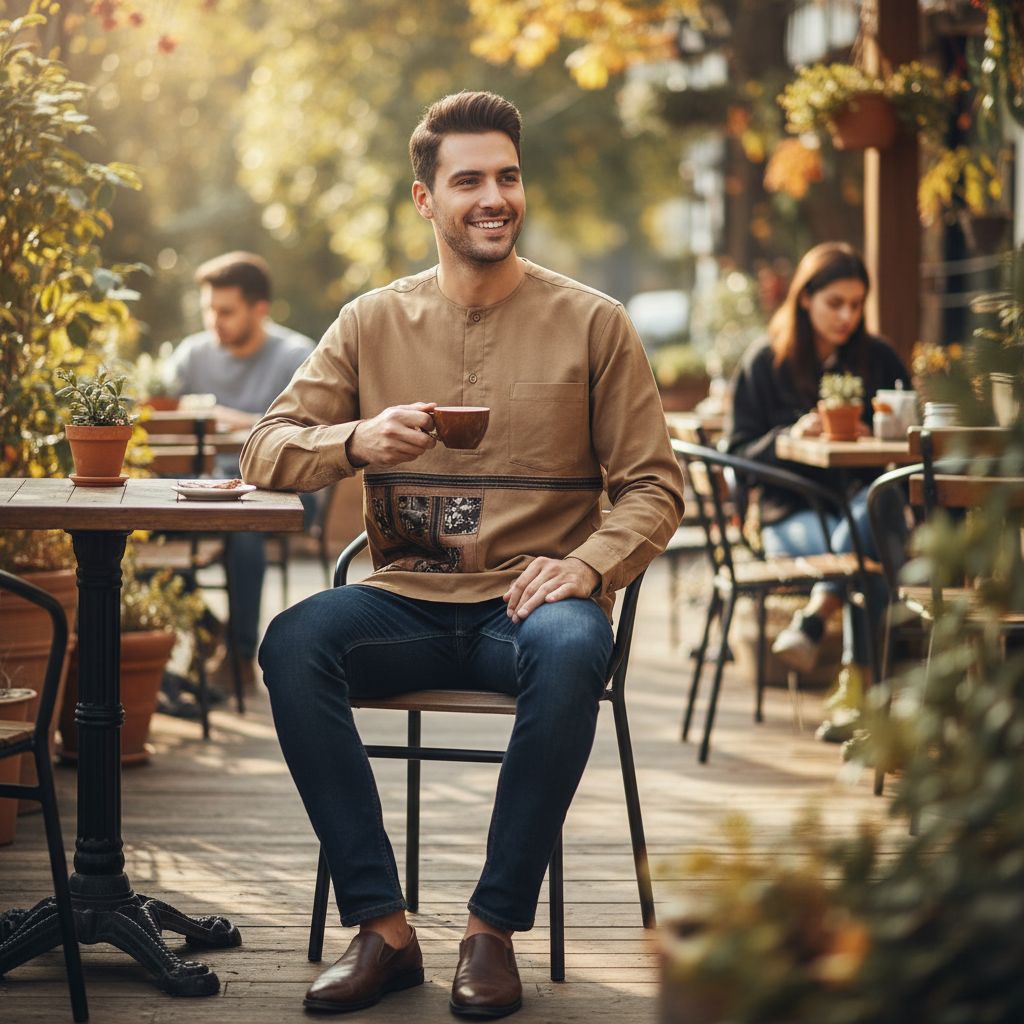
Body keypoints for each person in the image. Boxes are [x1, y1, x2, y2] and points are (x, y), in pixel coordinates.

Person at [240, 91, 686, 1018]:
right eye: (470, 180)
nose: (495, 197)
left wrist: (589, 566)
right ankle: (384, 931)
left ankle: (491, 930)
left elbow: (654, 486)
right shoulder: (369, 322)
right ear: (425, 199)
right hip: (403, 599)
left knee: (574, 644)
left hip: (531, 607)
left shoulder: (594, 322)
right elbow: (264, 451)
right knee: (293, 640)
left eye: (508, 178)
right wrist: (355, 440)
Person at [727, 242, 911, 726]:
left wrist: (877, 434)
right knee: (868, 557)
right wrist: (789, 435)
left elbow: (906, 428)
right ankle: (862, 697)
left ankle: (815, 620)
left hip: (857, 508)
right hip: (788, 514)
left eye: (857, 304)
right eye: (836, 303)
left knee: (870, 520)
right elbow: (737, 454)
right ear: (805, 297)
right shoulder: (767, 361)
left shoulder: (878, 359)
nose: (847, 316)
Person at [168, 252, 316, 686]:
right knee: (133, 529)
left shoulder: (296, 354)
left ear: (259, 309)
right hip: (202, 487)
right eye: (209, 310)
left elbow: (311, 431)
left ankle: (239, 656)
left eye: (226, 311)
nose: (214, 321)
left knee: (243, 526)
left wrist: (223, 416)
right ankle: (209, 631)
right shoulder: (192, 355)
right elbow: (165, 417)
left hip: (282, 487)